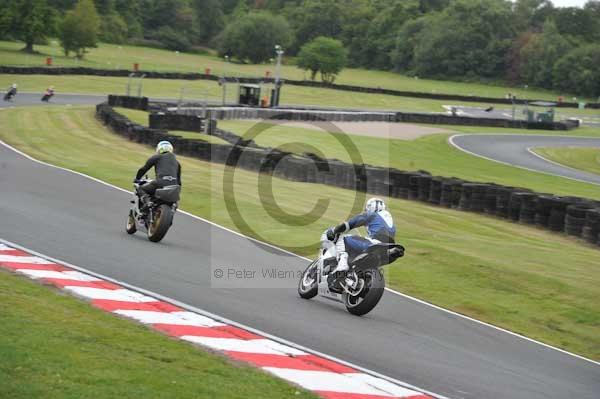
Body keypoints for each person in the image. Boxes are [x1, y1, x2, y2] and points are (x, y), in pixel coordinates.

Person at [326, 197, 396, 273]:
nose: (366, 210)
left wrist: (334, 230)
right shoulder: (389, 221)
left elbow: (349, 224)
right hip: (388, 249)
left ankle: (342, 263)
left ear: (370, 207)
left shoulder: (371, 215)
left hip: (375, 245)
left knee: (342, 237)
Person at [134, 141, 181, 211]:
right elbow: (179, 182)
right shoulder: (177, 163)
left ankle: (148, 202)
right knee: (173, 205)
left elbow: (144, 169)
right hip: (173, 187)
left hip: (160, 183)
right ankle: (174, 205)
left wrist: (137, 179)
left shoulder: (157, 157)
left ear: (159, 149)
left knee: (140, 188)